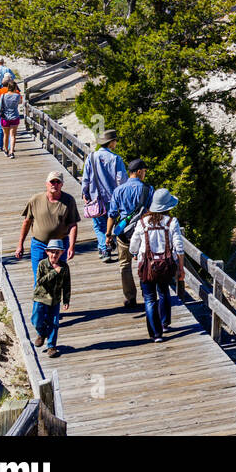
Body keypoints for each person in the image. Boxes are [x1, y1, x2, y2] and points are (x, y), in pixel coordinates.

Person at [128, 189, 185, 343]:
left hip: (146, 266)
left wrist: (134, 253)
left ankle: (156, 334)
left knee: (149, 299)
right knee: (164, 291)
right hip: (166, 265)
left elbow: (133, 245)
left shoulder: (142, 222)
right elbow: (179, 247)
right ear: (168, 207)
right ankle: (165, 322)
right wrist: (181, 268)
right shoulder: (172, 222)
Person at [15, 171, 79, 284]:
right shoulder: (35, 200)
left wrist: (71, 247)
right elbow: (27, 222)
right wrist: (20, 245)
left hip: (60, 245)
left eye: (57, 182)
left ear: (62, 184)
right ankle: (39, 302)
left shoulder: (68, 200)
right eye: (52, 181)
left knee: (57, 278)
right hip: (39, 244)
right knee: (40, 279)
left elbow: (73, 225)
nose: (54, 184)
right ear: (46, 184)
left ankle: (55, 302)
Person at [106, 157, 152, 309]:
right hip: (143, 231)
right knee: (144, 262)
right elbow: (152, 211)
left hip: (124, 233)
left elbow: (112, 214)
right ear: (138, 172)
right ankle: (148, 294)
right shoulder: (148, 189)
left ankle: (130, 297)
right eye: (144, 171)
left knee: (125, 265)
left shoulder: (118, 190)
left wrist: (108, 234)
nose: (144, 174)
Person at [81, 129, 127, 263]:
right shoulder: (116, 159)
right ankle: (110, 246)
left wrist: (85, 192)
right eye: (115, 141)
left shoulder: (91, 157)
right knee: (114, 224)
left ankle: (104, 249)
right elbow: (121, 180)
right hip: (113, 199)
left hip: (96, 198)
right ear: (111, 143)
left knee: (98, 225)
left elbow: (86, 178)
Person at [31, 239, 70, 358]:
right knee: (36, 319)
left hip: (55, 299)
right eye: (52, 252)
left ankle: (51, 346)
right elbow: (40, 281)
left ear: (61, 253)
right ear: (47, 252)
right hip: (41, 297)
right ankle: (41, 333)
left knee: (54, 322)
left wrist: (66, 300)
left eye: (57, 252)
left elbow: (67, 284)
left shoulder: (64, 267)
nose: (54, 255)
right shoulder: (42, 264)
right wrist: (54, 272)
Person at [0, 78, 23, 159]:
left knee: (5, 135)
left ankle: (6, 150)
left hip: (5, 117)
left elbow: (0, 107)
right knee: (13, 135)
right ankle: (11, 151)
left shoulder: (3, 96)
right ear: (15, 88)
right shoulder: (17, 96)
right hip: (14, 116)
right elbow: (20, 102)